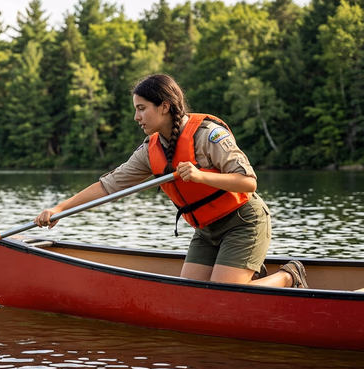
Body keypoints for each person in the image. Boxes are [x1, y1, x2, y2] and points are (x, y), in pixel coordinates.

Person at [34, 73, 308, 288]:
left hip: (243, 223)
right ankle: (245, 271)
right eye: (135, 109)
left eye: (141, 108)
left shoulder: (206, 135)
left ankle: (289, 275)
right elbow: (109, 185)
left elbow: (249, 182)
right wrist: (60, 209)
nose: (136, 117)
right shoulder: (149, 150)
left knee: (225, 296)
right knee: (190, 293)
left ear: (164, 106)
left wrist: (200, 175)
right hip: (207, 230)